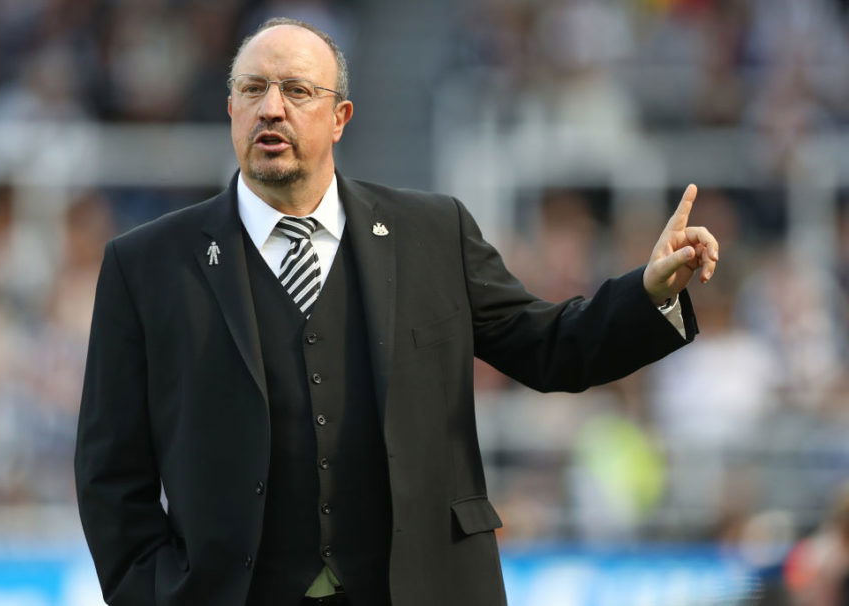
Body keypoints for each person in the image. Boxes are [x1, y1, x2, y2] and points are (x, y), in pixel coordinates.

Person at [74, 17, 719, 606]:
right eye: (253, 89)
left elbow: (552, 349)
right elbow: (111, 471)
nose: (271, 108)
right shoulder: (146, 264)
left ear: (340, 117)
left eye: (297, 90)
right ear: (230, 109)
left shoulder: (433, 233)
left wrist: (648, 292)